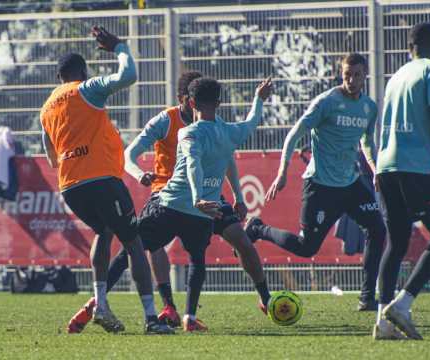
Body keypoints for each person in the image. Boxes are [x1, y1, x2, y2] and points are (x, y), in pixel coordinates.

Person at [67, 71, 271, 333]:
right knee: (187, 254)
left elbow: (210, 162)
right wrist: (259, 99)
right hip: (190, 200)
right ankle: (176, 311)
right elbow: (133, 154)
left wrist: (232, 196)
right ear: (184, 99)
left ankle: (263, 299)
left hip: (189, 200)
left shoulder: (195, 130)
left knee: (136, 245)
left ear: (194, 101)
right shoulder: (177, 121)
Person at [41, 26, 174, 335]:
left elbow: (51, 158)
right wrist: (120, 48)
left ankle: (101, 302)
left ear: (57, 77)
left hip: (69, 186)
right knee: (134, 244)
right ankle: (152, 320)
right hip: (101, 179)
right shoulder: (86, 88)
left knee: (102, 232)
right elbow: (128, 76)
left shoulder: (46, 108)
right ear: (81, 72)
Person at [244, 53, 386, 312]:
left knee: (377, 230)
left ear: (365, 74)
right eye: (347, 75)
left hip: (351, 185)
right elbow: (295, 133)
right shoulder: (327, 102)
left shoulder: (369, 107)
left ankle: (367, 298)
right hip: (320, 186)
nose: (352, 80)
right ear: (340, 75)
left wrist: (375, 169)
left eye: (356, 75)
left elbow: (366, 141)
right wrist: (282, 171)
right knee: (305, 248)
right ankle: (257, 228)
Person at [136, 76, 272, 330]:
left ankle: (266, 299)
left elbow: (226, 159)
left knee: (239, 241)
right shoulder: (167, 121)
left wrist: (238, 197)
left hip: (208, 196)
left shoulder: (218, 126)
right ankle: (170, 307)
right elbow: (189, 163)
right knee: (148, 246)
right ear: (184, 100)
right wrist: (138, 173)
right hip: (172, 193)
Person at [373, 22, 430, 341]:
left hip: (385, 166)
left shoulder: (396, 76)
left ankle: (382, 324)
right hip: (414, 167)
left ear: (409, 47)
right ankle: (402, 305)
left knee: (395, 241)